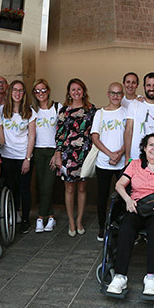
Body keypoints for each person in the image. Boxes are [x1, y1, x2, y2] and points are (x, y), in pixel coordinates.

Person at [107, 133, 154, 298]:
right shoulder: (134, 165)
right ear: (144, 147)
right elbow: (120, 184)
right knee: (126, 227)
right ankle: (120, 277)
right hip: (137, 208)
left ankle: (151, 277)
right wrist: (127, 199)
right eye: (151, 145)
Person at [54, 78, 96, 235]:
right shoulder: (64, 111)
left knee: (83, 187)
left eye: (79, 89)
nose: (76, 92)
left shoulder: (91, 110)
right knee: (69, 188)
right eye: (73, 89)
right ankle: (71, 221)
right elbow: (59, 135)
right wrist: (58, 154)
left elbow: (95, 132)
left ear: (84, 91)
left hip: (85, 153)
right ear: (69, 93)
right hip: (67, 154)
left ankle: (79, 220)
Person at [91, 82, 128, 241]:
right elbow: (95, 137)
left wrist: (119, 154)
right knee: (102, 195)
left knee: (122, 195)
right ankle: (102, 226)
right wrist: (110, 154)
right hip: (103, 163)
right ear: (108, 94)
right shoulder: (100, 113)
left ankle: (119, 225)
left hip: (122, 162)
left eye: (119, 93)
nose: (115, 96)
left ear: (122, 95)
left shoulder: (127, 112)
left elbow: (130, 136)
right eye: (112, 93)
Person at [0, 80, 36, 234]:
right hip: (6, 156)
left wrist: (27, 159)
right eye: (15, 90)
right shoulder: (1, 110)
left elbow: (32, 137)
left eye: (21, 90)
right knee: (10, 188)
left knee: (24, 189)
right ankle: (13, 216)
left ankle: (25, 218)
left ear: (24, 94)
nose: (17, 93)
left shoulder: (30, 112)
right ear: (10, 92)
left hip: (23, 156)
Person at [32, 78, 60, 233]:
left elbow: (62, 132)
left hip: (52, 151)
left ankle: (40, 217)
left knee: (48, 186)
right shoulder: (32, 110)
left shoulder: (57, 107)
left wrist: (57, 153)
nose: (40, 93)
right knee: (42, 185)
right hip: (38, 150)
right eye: (37, 91)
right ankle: (50, 217)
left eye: (43, 90)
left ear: (48, 91)